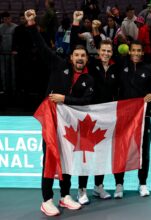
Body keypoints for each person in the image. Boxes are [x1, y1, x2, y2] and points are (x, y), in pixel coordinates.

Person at [25, 9, 94, 216]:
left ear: (86, 59)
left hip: (70, 126)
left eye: (83, 55)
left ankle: (65, 196)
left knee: (67, 160)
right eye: (76, 55)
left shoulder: (88, 79)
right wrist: (31, 25)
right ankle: (47, 200)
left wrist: (65, 99)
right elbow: (42, 47)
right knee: (50, 159)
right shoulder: (59, 65)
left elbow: (86, 101)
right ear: (71, 57)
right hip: (51, 121)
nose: (79, 58)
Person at [70, 10, 118, 204]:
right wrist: (80, 25)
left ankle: (98, 186)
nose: (105, 53)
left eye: (108, 51)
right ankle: (81, 189)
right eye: (103, 51)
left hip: (107, 118)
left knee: (102, 155)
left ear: (112, 53)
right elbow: (75, 45)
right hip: (89, 117)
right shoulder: (92, 67)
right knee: (86, 154)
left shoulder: (116, 68)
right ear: (98, 52)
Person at [117, 40, 151, 197]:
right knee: (122, 150)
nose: (135, 53)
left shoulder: (149, 69)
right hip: (124, 117)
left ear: (142, 52)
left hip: (143, 117)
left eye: (138, 50)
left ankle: (142, 183)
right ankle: (119, 184)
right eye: (133, 50)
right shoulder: (122, 67)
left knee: (144, 151)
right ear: (129, 51)